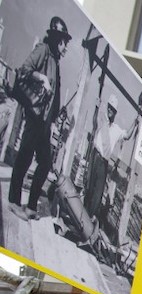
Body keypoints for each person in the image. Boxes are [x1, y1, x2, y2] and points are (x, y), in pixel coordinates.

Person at [7, 16, 71, 221]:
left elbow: (55, 98)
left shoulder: (56, 62)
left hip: (44, 122)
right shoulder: (43, 51)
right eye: (64, 43)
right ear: (56, 40)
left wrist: (54, 121)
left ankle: (32, 206)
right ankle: (14, 202)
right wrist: (41, 78)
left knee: (44, 163)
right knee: (25, 157)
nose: (66, 48)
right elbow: (25, 70)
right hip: (34, 115)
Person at [87, 93, 137, 228]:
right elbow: (93, 122)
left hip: (103, 162)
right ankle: (82, 217)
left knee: (98, 194)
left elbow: (127, 135)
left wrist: (135, 122)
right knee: (89, 188)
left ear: (115, 112)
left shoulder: (116, 129)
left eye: (112, 109)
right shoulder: (101, 119)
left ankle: (88, 219)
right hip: (94, 156)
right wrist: (96, 107)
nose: (109, 110)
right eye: (109, 107)